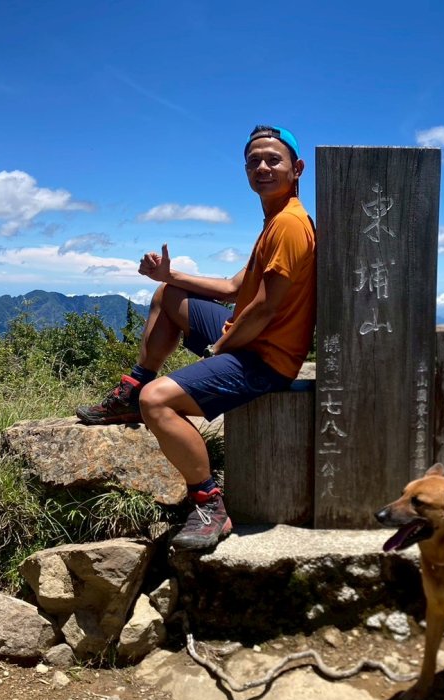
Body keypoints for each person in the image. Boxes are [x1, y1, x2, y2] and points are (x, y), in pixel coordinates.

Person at [76, 125, 316, 552]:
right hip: (249, 340)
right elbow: (230, 289)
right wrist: (170, 276)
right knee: (167, 295)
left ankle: (208, 503)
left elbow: (266, 307)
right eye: (253, 161)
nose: (262, 167)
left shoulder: (291, 226)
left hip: (265, 359)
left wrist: (222, 347)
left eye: (272, 160)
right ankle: (133, 385)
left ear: (296, 168)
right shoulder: (275, 222)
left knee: (159, 401)